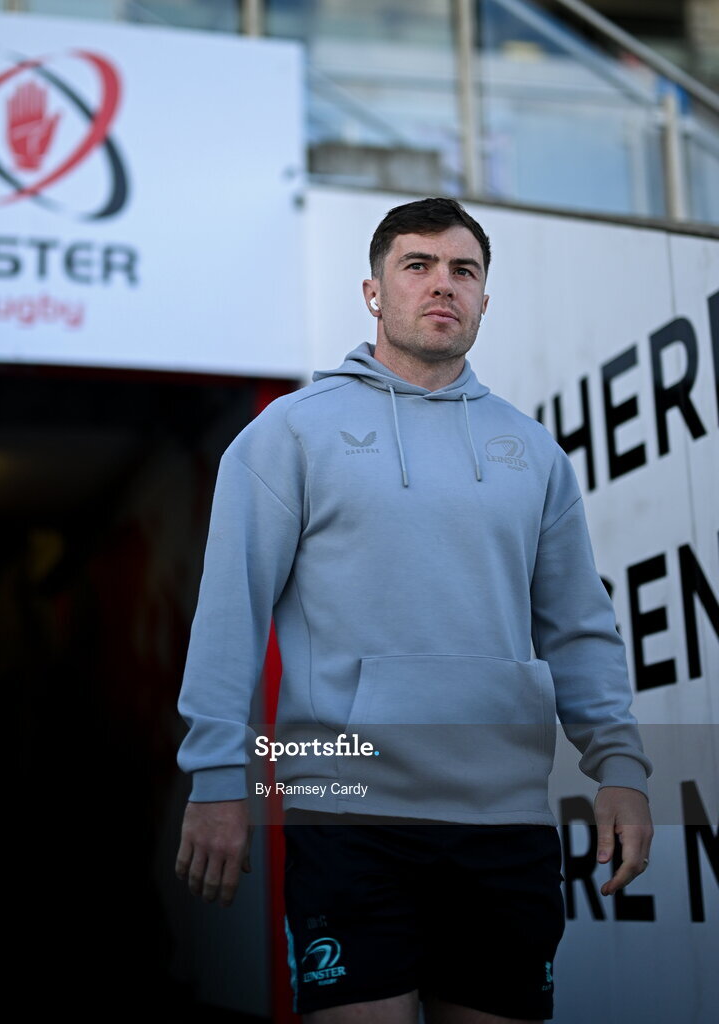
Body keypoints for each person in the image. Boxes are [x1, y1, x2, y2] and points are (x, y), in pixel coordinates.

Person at [174, 197, 653, 1023]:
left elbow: (579, 626)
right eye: (418, 265)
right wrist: (219, 781)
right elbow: (230, 617)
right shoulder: (287, 436)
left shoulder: (532, 452)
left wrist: (620, 766)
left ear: (484, 299)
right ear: (374, 291)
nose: (443, 285)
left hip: (507, 824)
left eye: (463, 270)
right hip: (350, 815)